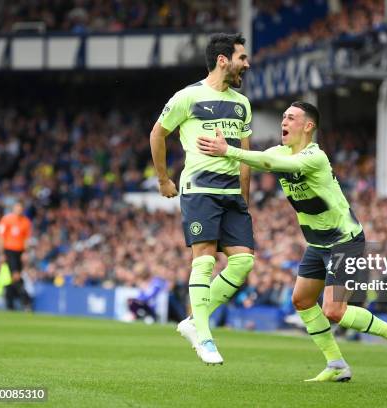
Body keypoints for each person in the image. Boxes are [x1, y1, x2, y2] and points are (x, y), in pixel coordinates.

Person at [197, 101, 387, 381]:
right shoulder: (281, 151)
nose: (283, 122)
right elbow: (259, 159)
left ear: (308, 126)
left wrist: (229, 150)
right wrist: (221, 156)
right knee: (301, 300)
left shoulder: (315, 157)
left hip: (344, 241)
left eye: (291, 118)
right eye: (283, 117)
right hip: (318, 244)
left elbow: (267, 162)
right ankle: (336, 365)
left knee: (334, 310)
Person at [149, 33, 254, 365]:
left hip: (231, 194)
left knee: (244, 261)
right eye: (242, 57)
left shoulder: (242, 103)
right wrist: (163, 178)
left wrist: (244, 198)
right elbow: (157, 133)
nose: (246, 64)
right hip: (200, 189)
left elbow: (245, 156)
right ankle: (205, 338)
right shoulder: (187, 97)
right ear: (223, 60)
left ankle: (195, 321)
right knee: (205, 259)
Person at [0, 202, 32, 310]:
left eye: (21, 208)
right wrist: (2, 253)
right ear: (13, 209)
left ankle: (9, 304)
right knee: (16, 276)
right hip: (9, 251)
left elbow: (26, 239)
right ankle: (27, 301)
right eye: (17, 208)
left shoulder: (26, 222)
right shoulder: (6, 220)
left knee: (15, 279)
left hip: (20, 252)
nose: (19, 210)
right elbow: (1, 237)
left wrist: (25, 252)